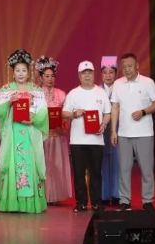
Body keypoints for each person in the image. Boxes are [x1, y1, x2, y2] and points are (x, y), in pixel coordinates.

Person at [0, 49, 48, 213]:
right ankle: (11, 202)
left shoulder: (36, 90)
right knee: (12, 163)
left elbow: (43, 111)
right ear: (13, 72)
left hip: (30, 132)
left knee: (30, 163)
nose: (20, 73)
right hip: (13, 133)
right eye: (17, 70)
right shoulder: (6, 89)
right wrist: (8, 102)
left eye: (24, 70)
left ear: (28, 72)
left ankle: (30, 204)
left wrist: (34, 119)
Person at [110, 52, 155, 212]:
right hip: (124, 134)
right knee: (124, 169)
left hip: (144, 133)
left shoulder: (148, 82)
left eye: (130, 66)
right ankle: (125, 200)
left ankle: (148, 201)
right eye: (124, 66)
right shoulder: (118, 83)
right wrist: (113, 131)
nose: (127, 69)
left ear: (137, 66)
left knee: (146, 169)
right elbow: (115, 107)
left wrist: (144, 112)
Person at [63, 60, 111, 212]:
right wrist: (74, 114)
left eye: (89, 72)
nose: (87, 75)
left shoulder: (101, 92)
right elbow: (64, 113)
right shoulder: (73, 93)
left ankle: (96, 203)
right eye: (84, 73)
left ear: (94, 74)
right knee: (78, 173)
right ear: (79, 75)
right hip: (77, 141)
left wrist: (104, 124)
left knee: (96, 173)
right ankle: (81, 203)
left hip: (97, 141)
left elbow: (108, 113)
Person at [36, 56, 72, 205]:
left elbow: (66, 114)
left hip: (57, 135)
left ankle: (55, 196)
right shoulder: (36, 94)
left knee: (57, 166)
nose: (50, 79)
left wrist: (63, 126)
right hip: (41, 136)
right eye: (46, 76)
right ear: (41, 78)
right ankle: (41, 195)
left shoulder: (62, 94)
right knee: (42, 165)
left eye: (52, 76)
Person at [99, 56, 120, 206]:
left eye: (111, 72)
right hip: (101, 130)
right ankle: (104, 195)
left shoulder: (121, 90)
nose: (108, 75)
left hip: (119, 130)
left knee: (118, 162)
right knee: (102, 163)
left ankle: (117, 194)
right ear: (101, 74)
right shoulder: (97, 91)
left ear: (116, 73)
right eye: (105, 72)